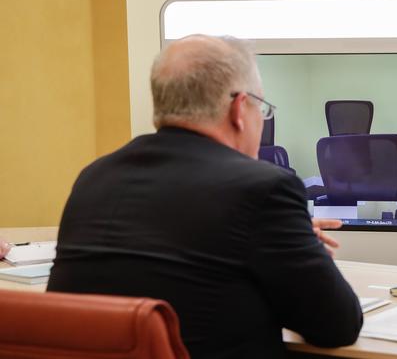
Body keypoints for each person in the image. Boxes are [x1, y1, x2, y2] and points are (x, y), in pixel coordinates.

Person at [46, 35, 362, 359]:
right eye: (261, 108)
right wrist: (302, 248)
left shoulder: (94, 178)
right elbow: (337, 326)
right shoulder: (263, 189)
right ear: (239, 108)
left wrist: (288, 239)